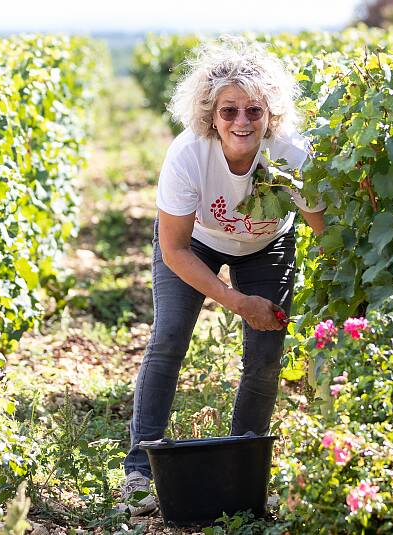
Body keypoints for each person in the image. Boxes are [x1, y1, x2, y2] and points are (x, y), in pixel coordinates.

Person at [120, 37, 326, 516]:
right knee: (169, 337)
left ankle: (242, 467)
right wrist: (235, 301)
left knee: (265, 354)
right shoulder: (189, 154)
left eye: (254, 111)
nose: (242, 121)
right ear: (210, 114)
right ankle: (139, 468)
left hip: (266, 245)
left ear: (270, 115)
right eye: (229, 110)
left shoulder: (292, 154)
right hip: (195, 244)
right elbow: (173, 248)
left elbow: (325, 233)